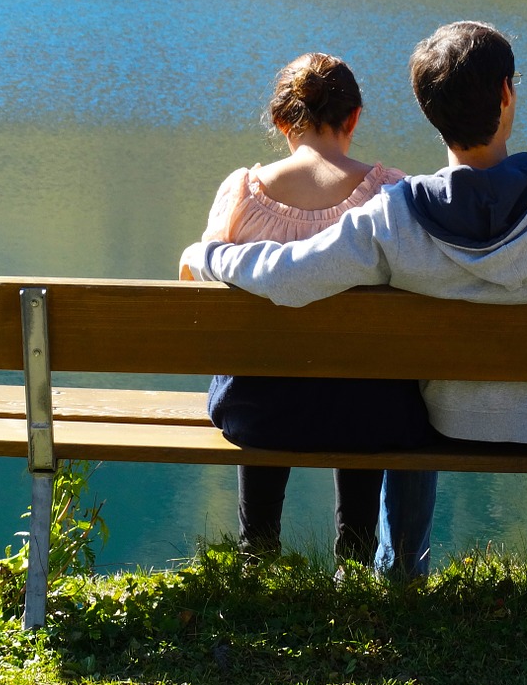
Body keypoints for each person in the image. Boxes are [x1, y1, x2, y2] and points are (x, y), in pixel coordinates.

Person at [181, 21, 527, 594]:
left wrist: (211, 257)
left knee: (407, 387)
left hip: (446, 422)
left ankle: (402, 575)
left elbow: (288, 276)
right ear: (507, 94)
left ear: (428, 110)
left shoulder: (395, 215)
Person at [181, 51, 435, 566]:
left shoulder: (240, 196)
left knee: (261, 369)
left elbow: (201, 291)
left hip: (257, 417)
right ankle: (357, 555)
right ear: (354, 118)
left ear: (280, 121)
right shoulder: (393, 195)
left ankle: (259, 549)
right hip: (368, 419)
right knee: (365, 375)